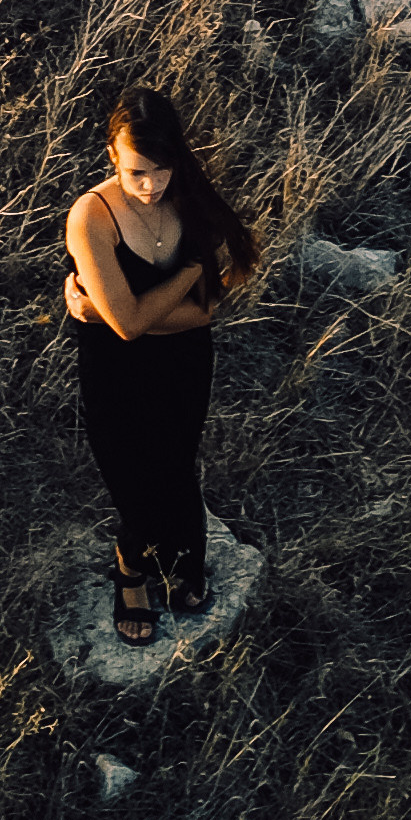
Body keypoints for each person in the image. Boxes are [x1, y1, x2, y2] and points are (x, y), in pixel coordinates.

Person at [65, 86, 256, 646]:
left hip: (183, 360)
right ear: (112, 159)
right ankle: (130, 571)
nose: (150, 187)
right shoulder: (92, 216)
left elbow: (225, 287)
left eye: (161, 169)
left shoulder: (190, 196)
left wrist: (109, 314)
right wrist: (187, 277)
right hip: (114, 368)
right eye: (135, 173)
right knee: (131, 477)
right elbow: (128, 328)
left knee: (174, 464)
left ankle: (182, 557)